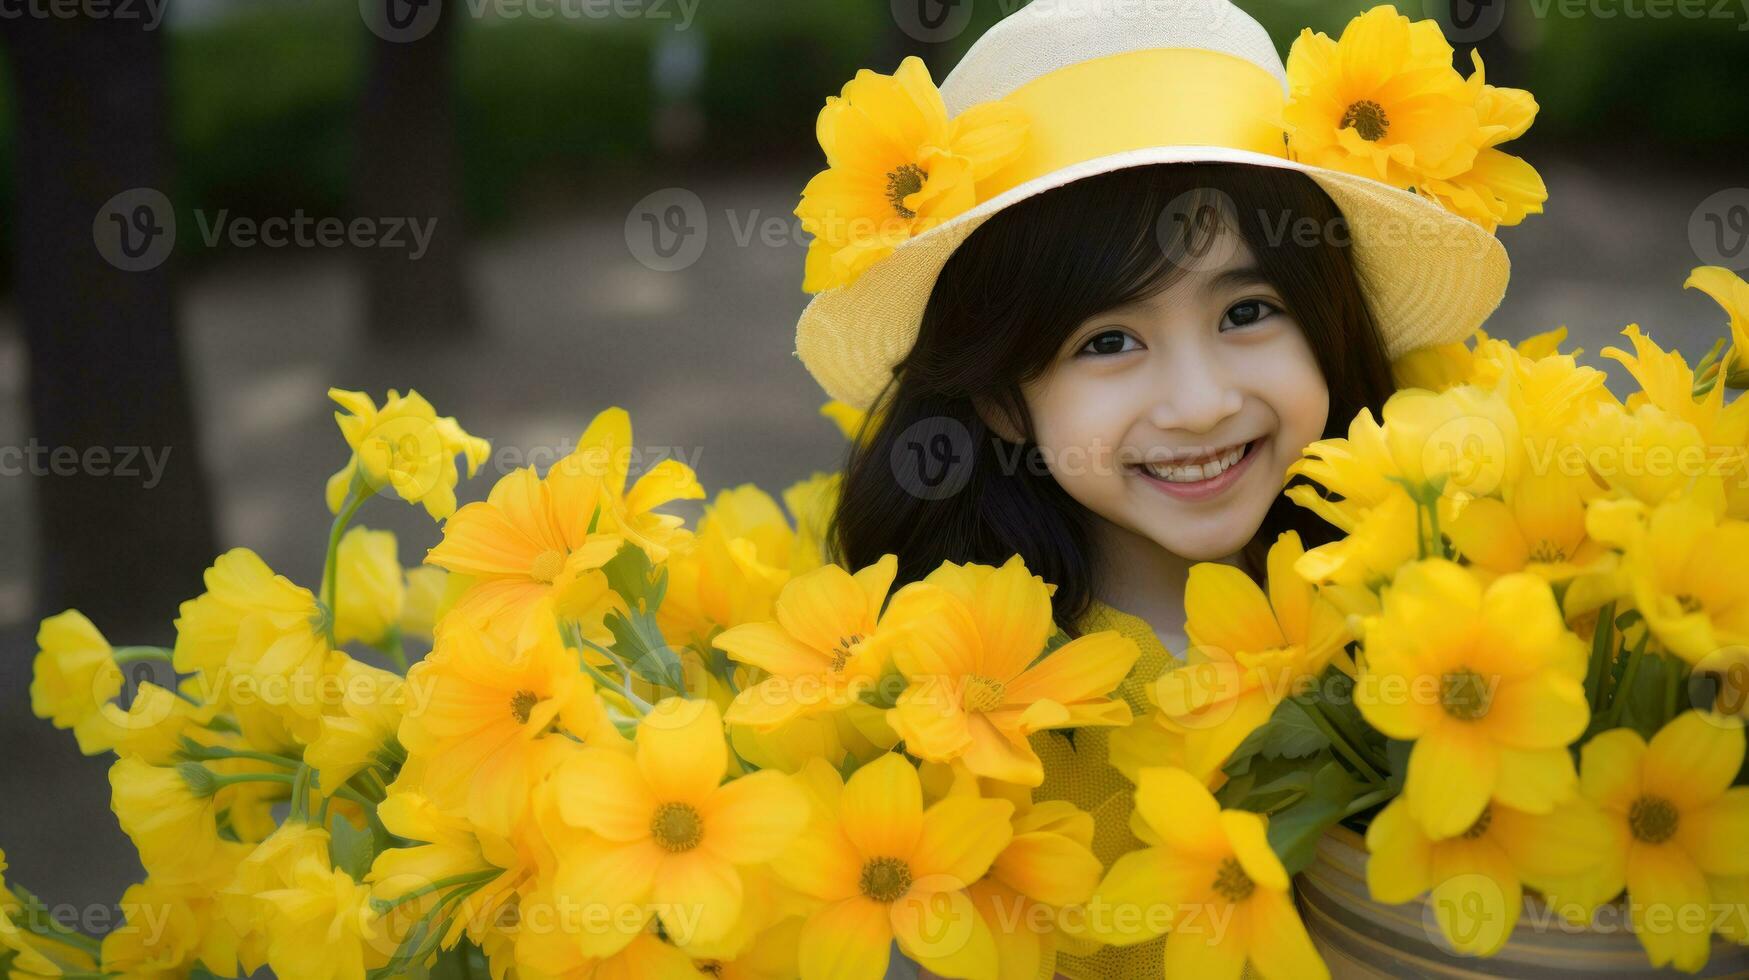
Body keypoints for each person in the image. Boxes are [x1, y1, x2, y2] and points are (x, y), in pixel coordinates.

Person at [791, 0, 1531, 976]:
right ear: (1005, 402)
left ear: (1329, 323)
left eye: (1249, 311)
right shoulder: (957, 721)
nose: (1197, 403)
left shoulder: (1444, 608)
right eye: (1109, 341)